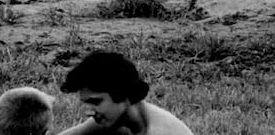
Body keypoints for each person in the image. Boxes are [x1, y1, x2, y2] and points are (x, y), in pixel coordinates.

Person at [58, 51, 194, 135]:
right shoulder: (124, 118)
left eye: (96, 102)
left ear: (123, 95)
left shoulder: (160, 131)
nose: (89, 112)